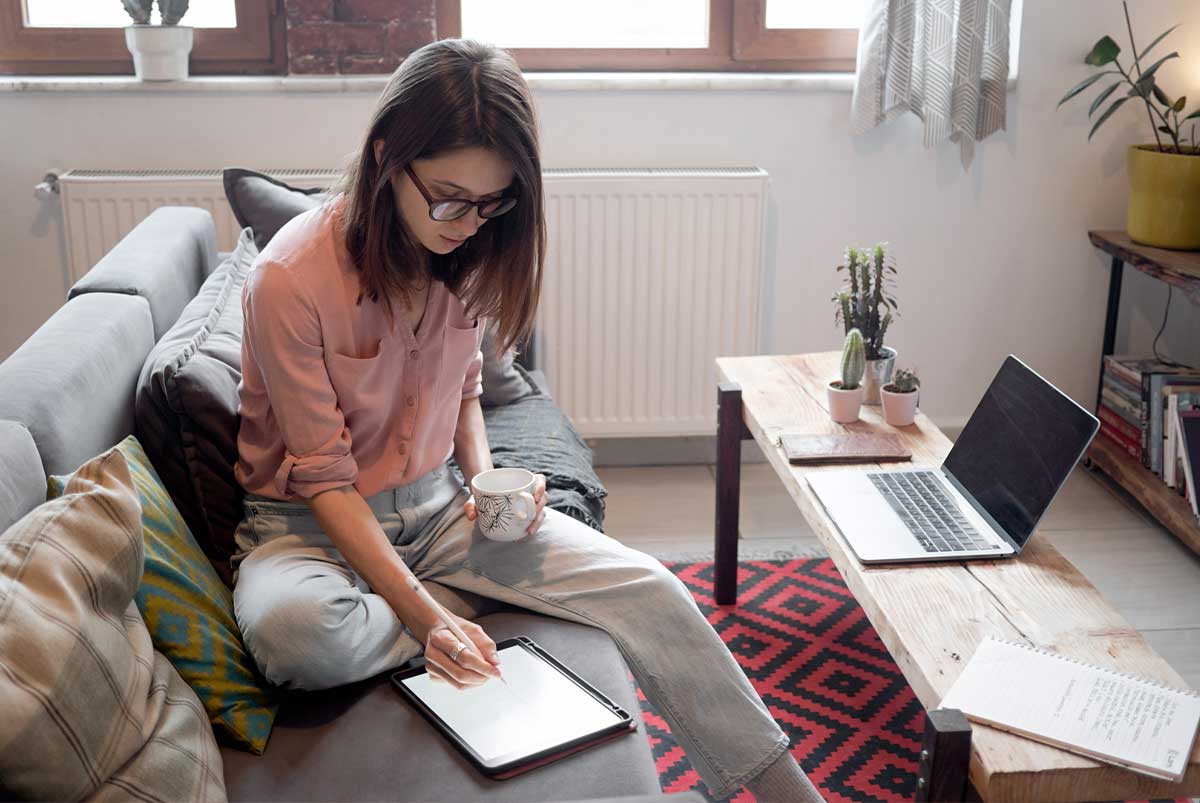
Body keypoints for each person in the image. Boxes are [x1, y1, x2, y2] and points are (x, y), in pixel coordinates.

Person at [230, 37, 824, 803]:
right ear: (386, 157)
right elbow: (325, 479)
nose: (469, 223)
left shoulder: (465, 253)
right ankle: (467, 599)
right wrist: (427, 615)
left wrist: (484, 480)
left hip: (440, 513)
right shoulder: (288, 279)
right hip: (306, 529)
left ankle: (784, 792)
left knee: (647, 585)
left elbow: (466, 389)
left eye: (492, 202)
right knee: (298, 635)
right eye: (448, 198)